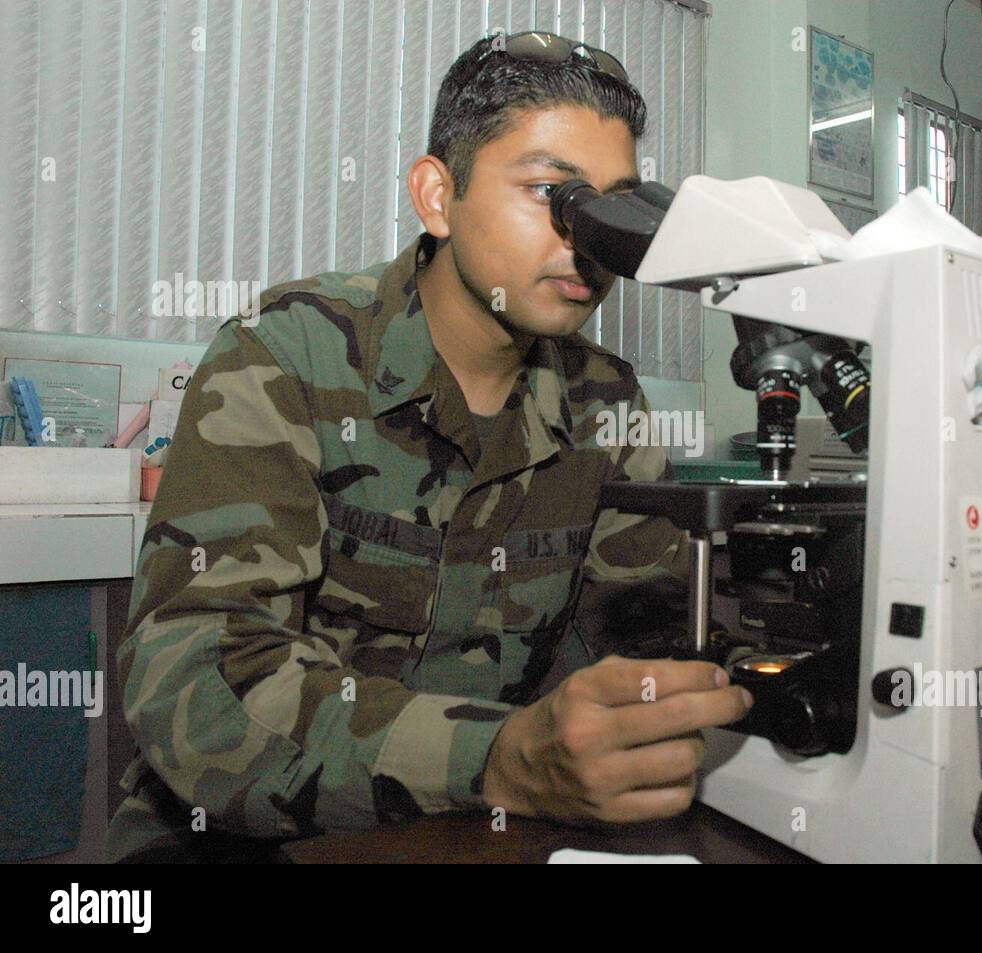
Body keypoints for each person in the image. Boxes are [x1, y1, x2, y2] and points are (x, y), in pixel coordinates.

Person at [105, 31, 752, 863]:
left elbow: (648, 632)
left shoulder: (606, 405)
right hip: (243, 836)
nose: (588, 242)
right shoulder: (286, 356)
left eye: (613, 206)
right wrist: (498, 756)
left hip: (474, 837)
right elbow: (193, 678)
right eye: (553, 193)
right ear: (437, 196)